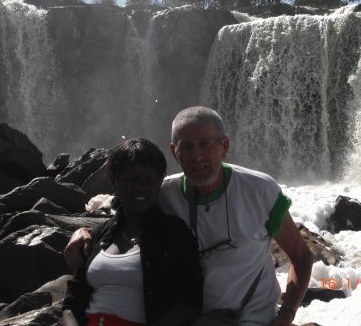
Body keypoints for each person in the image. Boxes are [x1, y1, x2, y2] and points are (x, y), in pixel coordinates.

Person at [65, 107, 313, 326]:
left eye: (205, 143)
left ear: (224, 146)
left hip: (258, 315)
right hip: (201, 318)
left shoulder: (261, 190)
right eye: (186, 147)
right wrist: (83, 231)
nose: (196, 155)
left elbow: (301, 256)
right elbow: (122, 211)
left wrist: (288, 312)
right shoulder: (163, 193)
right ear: (174, 152)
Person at [62, 138, 203, 326]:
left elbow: (189, 303)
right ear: (113, 180)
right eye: (131, 179)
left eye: (149, 180)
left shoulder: (175, 234)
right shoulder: (97, 235)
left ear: (160, 181)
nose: (141, 187)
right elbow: (71, 302)